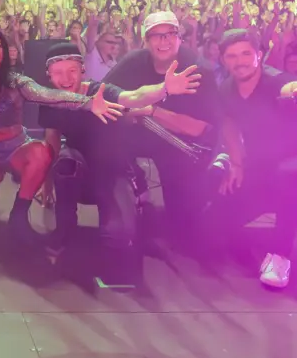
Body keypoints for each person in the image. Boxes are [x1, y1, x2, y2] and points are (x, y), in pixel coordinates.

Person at [0, 27, 127, 246]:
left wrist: (88, 102)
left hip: (16, 148)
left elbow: (49, 95)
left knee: (42, 153)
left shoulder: (16, 82)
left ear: (3, 52)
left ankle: (19, 215)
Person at [40, 42, 200, 284]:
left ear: (82, 69)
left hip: (111, 171)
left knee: (119, 237)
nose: (65, 78)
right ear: (49, 75)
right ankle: (65, 229)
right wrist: (46, 183)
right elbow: (51, 139)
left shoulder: (101, 92)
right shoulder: (51, 101)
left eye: (72, 70)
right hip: (78, 170)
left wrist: (164, 88)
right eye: (58, 72)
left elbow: (133, 97)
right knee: (65, 162)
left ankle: (123, 216)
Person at [211, 29, 297, 289]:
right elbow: (228, 122)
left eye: (245, 54)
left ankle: (280, 256)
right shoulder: (226, 89)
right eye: (231, 56)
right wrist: (236, 163)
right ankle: (279, 210)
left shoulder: (275, 81)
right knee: (215, 222)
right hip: (261, 166)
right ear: (224, 60)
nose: (239, 61)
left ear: (259, 55)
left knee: (290, 173)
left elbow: (292, 86)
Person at [102, 10, 222, 247]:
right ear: (145, 41)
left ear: (180, 37)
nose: (163, 41)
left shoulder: (199, 70)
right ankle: (129, 194)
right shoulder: (134, 62)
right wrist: (128, 111)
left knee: (183, 227)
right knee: (104, 141)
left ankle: (189, 217)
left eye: (169, 34)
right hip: (137, 134)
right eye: (156, 35)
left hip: (180, 143)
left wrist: (151, 110)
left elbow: (200, 129)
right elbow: (104, 95)